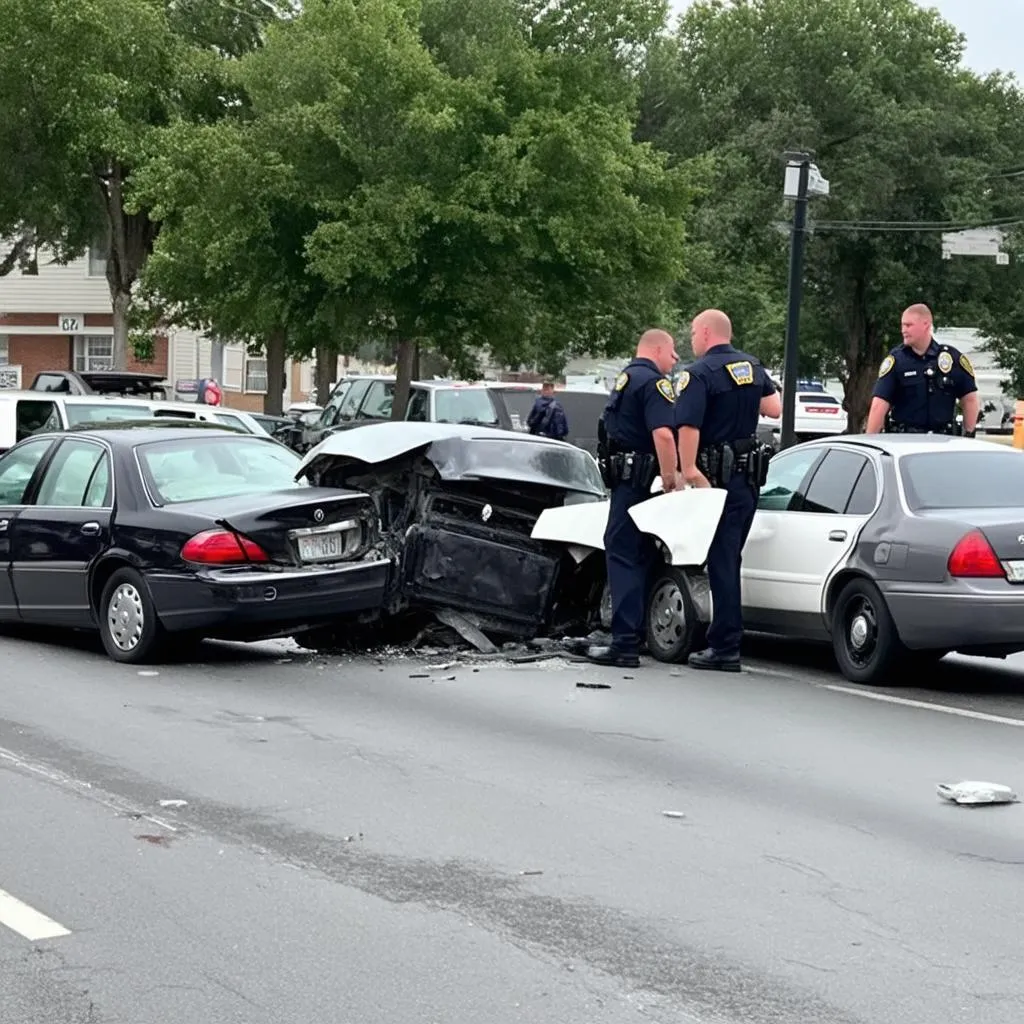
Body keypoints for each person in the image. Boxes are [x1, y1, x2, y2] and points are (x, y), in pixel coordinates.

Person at [675, 309, 780, 673]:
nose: (691, 338)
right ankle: (727, 639)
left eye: (692, 332)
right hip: (747, 481)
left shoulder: (698, 373)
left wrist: (689, 470)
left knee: (721, 561)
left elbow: (688, 427)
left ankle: (724, 646)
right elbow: (775, 408)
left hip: (714, 480)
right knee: (729, 557)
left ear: (706, 333)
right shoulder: (751, 367)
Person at [586, 329, 680, 668]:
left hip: (634, 482)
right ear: (656, 349)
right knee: (634, 551)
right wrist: (671, 479)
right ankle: (633, 635)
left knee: (622, 548)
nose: (676, 359)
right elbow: (662, 435)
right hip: (636, 480)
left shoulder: (634, 379)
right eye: (672, 352)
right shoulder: (649, 381)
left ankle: (625, 642)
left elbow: (664, 436)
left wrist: (671, 479)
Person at [865, 304, 979, 436]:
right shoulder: (897, 361)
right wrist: (871, 440)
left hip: (943, 442)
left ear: (926, 325)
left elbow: (970, 399)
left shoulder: (952, 359)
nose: (903, 330)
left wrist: (968, 436)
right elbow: (878, 406)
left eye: (909, 325)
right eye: (902, 325)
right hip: (905, 441)